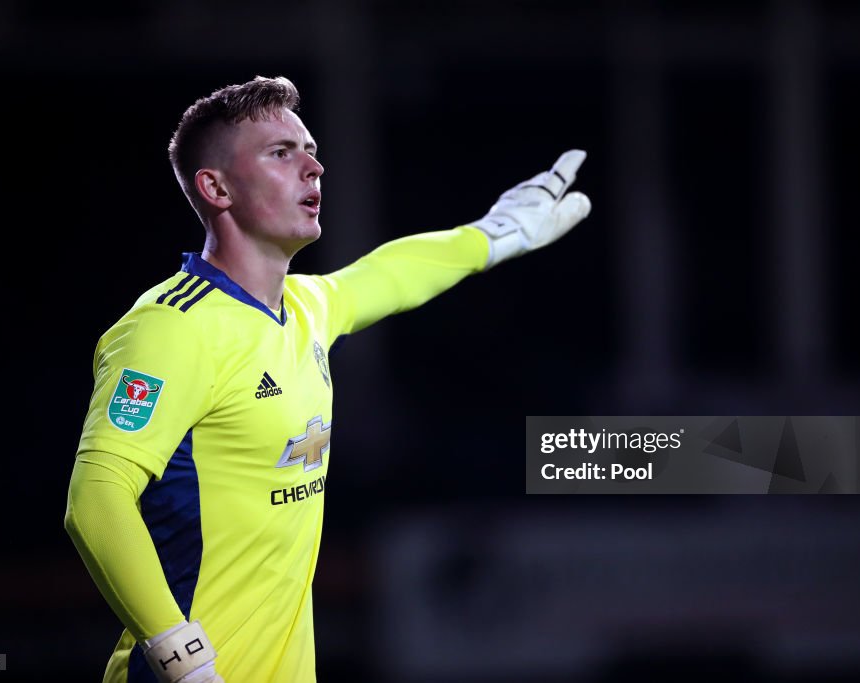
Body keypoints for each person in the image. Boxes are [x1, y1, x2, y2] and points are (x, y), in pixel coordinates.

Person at [64, 74, 591, 683]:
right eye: (281, 153)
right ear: (216, 187)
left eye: (310, 151)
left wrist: (494, 236)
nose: (313, 167)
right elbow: (96, 497)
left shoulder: (307, 307)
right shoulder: (172, 329)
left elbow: (388, 274)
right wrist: (182, 657)